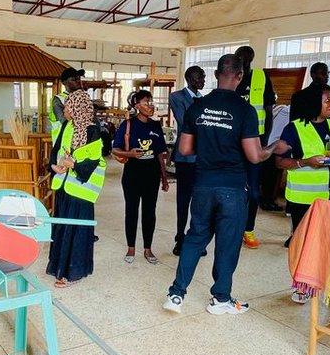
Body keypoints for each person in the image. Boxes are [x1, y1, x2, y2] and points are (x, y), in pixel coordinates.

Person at [163, 54, 277, 315]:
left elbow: (185, 148)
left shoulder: (198, 106)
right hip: (232, 188)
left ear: (215, 74)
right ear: (239, 77)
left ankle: (176, 295)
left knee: (195, 238)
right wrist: (273, 147)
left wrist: (209, 143)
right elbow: (254, 155)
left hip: (202, 184)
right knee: (227, 243)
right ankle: (221, 299)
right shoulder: (244, 110)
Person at [276, 82, 330, 266]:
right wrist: (305, 162)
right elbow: (279, 162)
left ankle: (318, 283)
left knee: (327, 244)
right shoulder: (294, 128)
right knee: (302, 245)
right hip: (303, 200)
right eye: (327, 100)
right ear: (313, 102)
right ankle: (300, 285)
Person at [46, 91, 105, 288]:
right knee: (62, 228)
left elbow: (94, 159)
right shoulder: (66, 125)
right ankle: (59, 267)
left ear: (79, 108)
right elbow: (56, 149)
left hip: (81, 190)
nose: (66, 110)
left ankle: (74, 271)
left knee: (77, 231)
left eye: (70, 106)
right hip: (64, 186)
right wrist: (53, 165)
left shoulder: (92, 130)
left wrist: (75, 165)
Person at [112, 90, 169, 265]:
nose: (150, 106)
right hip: (132, 175)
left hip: (151, 176)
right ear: (137, 106)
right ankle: (131, 248)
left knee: (149, 212)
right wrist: (130, 153)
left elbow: (160, 153)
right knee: (131, 211)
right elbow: (115, 149)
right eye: (146, 103)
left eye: (151, 103)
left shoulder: (155, 126)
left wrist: (164, 177)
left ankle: (148, 249)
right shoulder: (127, 125)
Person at [234, 45, 276, 249]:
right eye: (239, 58)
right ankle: (231, 227)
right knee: (232, 188)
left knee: (253, 191)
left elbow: (268, 110)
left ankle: (248, 230)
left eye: (246, 59)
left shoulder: (261, 77)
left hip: (255, 141)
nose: (243, 61)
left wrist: (266, 139)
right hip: (233, 143)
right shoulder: (231, 77)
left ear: (251, 59)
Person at [168, 65, 205, 255]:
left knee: (201, 201)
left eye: (204, 78)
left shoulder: (205, 99)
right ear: (189, 79)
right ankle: (180, 238)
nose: (202, 81)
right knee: (183, 200)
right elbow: (185, 122)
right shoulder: (176, 97)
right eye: (199, 78)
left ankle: (196, 239)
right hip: (185, 156)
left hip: (203, 157)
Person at [48, 66, 85, 143]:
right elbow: (65, 122)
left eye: (78, 79)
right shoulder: (58, 100)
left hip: (81, 143)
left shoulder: (83, 98)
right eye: (73, 79)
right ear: (64, 82)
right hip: (63, 143)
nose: (77, 81)